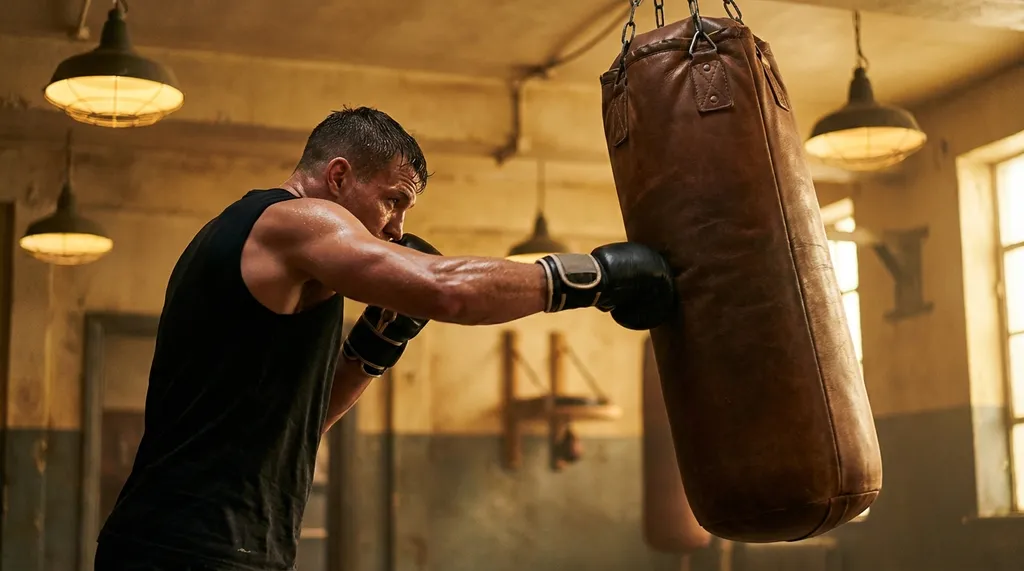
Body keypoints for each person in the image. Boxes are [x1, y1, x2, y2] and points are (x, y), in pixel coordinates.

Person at [94, 106, 675, 571]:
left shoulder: (258, 251)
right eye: (393, 200)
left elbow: (301, 422)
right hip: (188, 546)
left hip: (225, 544)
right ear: (339, 175)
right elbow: (448, 291)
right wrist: (600, 277)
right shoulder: (291, 221)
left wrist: (374, 347)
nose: (398, 227)